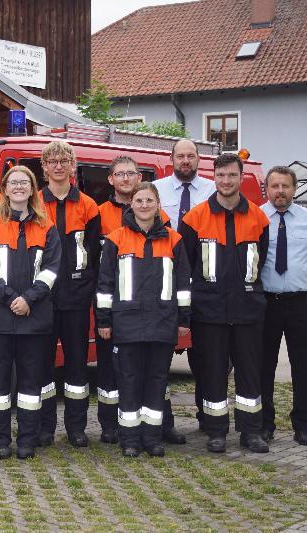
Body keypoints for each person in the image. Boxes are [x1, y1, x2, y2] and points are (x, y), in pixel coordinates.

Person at [179, 153, 270, 453]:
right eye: (221, 176)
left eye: (232, 175)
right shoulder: (195, 218)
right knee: (213, 373)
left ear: (241, 177)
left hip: (247, 310)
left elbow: (262, 259)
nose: (226, 181)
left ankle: (251, 432)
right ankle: (216, 430)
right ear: (213, 178)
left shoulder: (258, 217)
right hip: (210, 312)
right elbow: (186, 265)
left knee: (249, 373)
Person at [96, 182, 191, 457]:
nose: (144, 205)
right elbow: (105, 285)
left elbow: (183, 284)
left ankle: (152, 438)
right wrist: (104, 321)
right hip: (127, 324)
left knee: (157, 381)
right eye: (139, 200)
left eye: (149, 200)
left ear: (158, 204)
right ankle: (130, 440)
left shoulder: (174, 240)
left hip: (162, 323)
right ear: (131, 205)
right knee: (129, 381)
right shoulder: (116, 239)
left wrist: (183, 318)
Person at [0, 166, 61, 460]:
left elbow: (51, 272)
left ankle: (27, 438)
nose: (19, 187)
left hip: (34, 320)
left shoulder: (47, 227)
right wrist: (13, 299)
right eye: (14, 182)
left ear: (33, 188)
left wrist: (29, 299)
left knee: (30, 385)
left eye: (25, 182)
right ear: (5, 188)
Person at [38, 140, 101, 448]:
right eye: (53, 161)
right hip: (43, 299)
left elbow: (94, 255)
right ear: (45, 167)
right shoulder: (35, 202)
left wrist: (87, 288)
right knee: (43, 366)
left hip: (76, 298)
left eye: (64, 161)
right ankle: (45, 428)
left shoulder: (88, 206)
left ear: (73, 166)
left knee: (77, 365)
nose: (59, 166)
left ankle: (76, 428)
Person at [260, 166, 307, 446]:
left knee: (303, 366)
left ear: (294, 189)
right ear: (267, 189)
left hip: (300, 302)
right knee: (262, 366)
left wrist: (301, 283)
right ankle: (264, 424)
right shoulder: (256, 218)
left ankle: (303, 425)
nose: (280, 191)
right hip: (265, 303)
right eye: (274, 186)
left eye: (285, 186)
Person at [155, 139, 216, 426]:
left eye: (191, 156)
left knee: (204, 357)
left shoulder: (213, 190)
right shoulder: (157, 190)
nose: (186, 161)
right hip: (167, 280)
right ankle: (163, 421)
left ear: (198, 160)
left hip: (203, 280)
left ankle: (207, 417)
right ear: (172, 159)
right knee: (161, 358)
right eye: (181, 156)